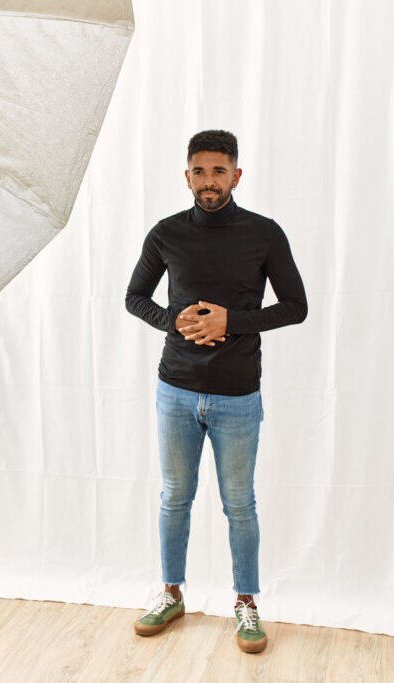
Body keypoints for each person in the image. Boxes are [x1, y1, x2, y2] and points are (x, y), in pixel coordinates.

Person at [125, 130, 307, 653]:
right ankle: (171, 593)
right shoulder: (166, 233)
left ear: (236, 175)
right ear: (187, 176)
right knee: (174, 499)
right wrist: (171, 321)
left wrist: (233, 321)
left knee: (239, 504)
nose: (209, 181)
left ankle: (246, 603)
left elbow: (296, 305)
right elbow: (135, 297)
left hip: (237, 395)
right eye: (199, 172)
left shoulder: (264, 234)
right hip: (175, 389)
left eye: (219, 171)